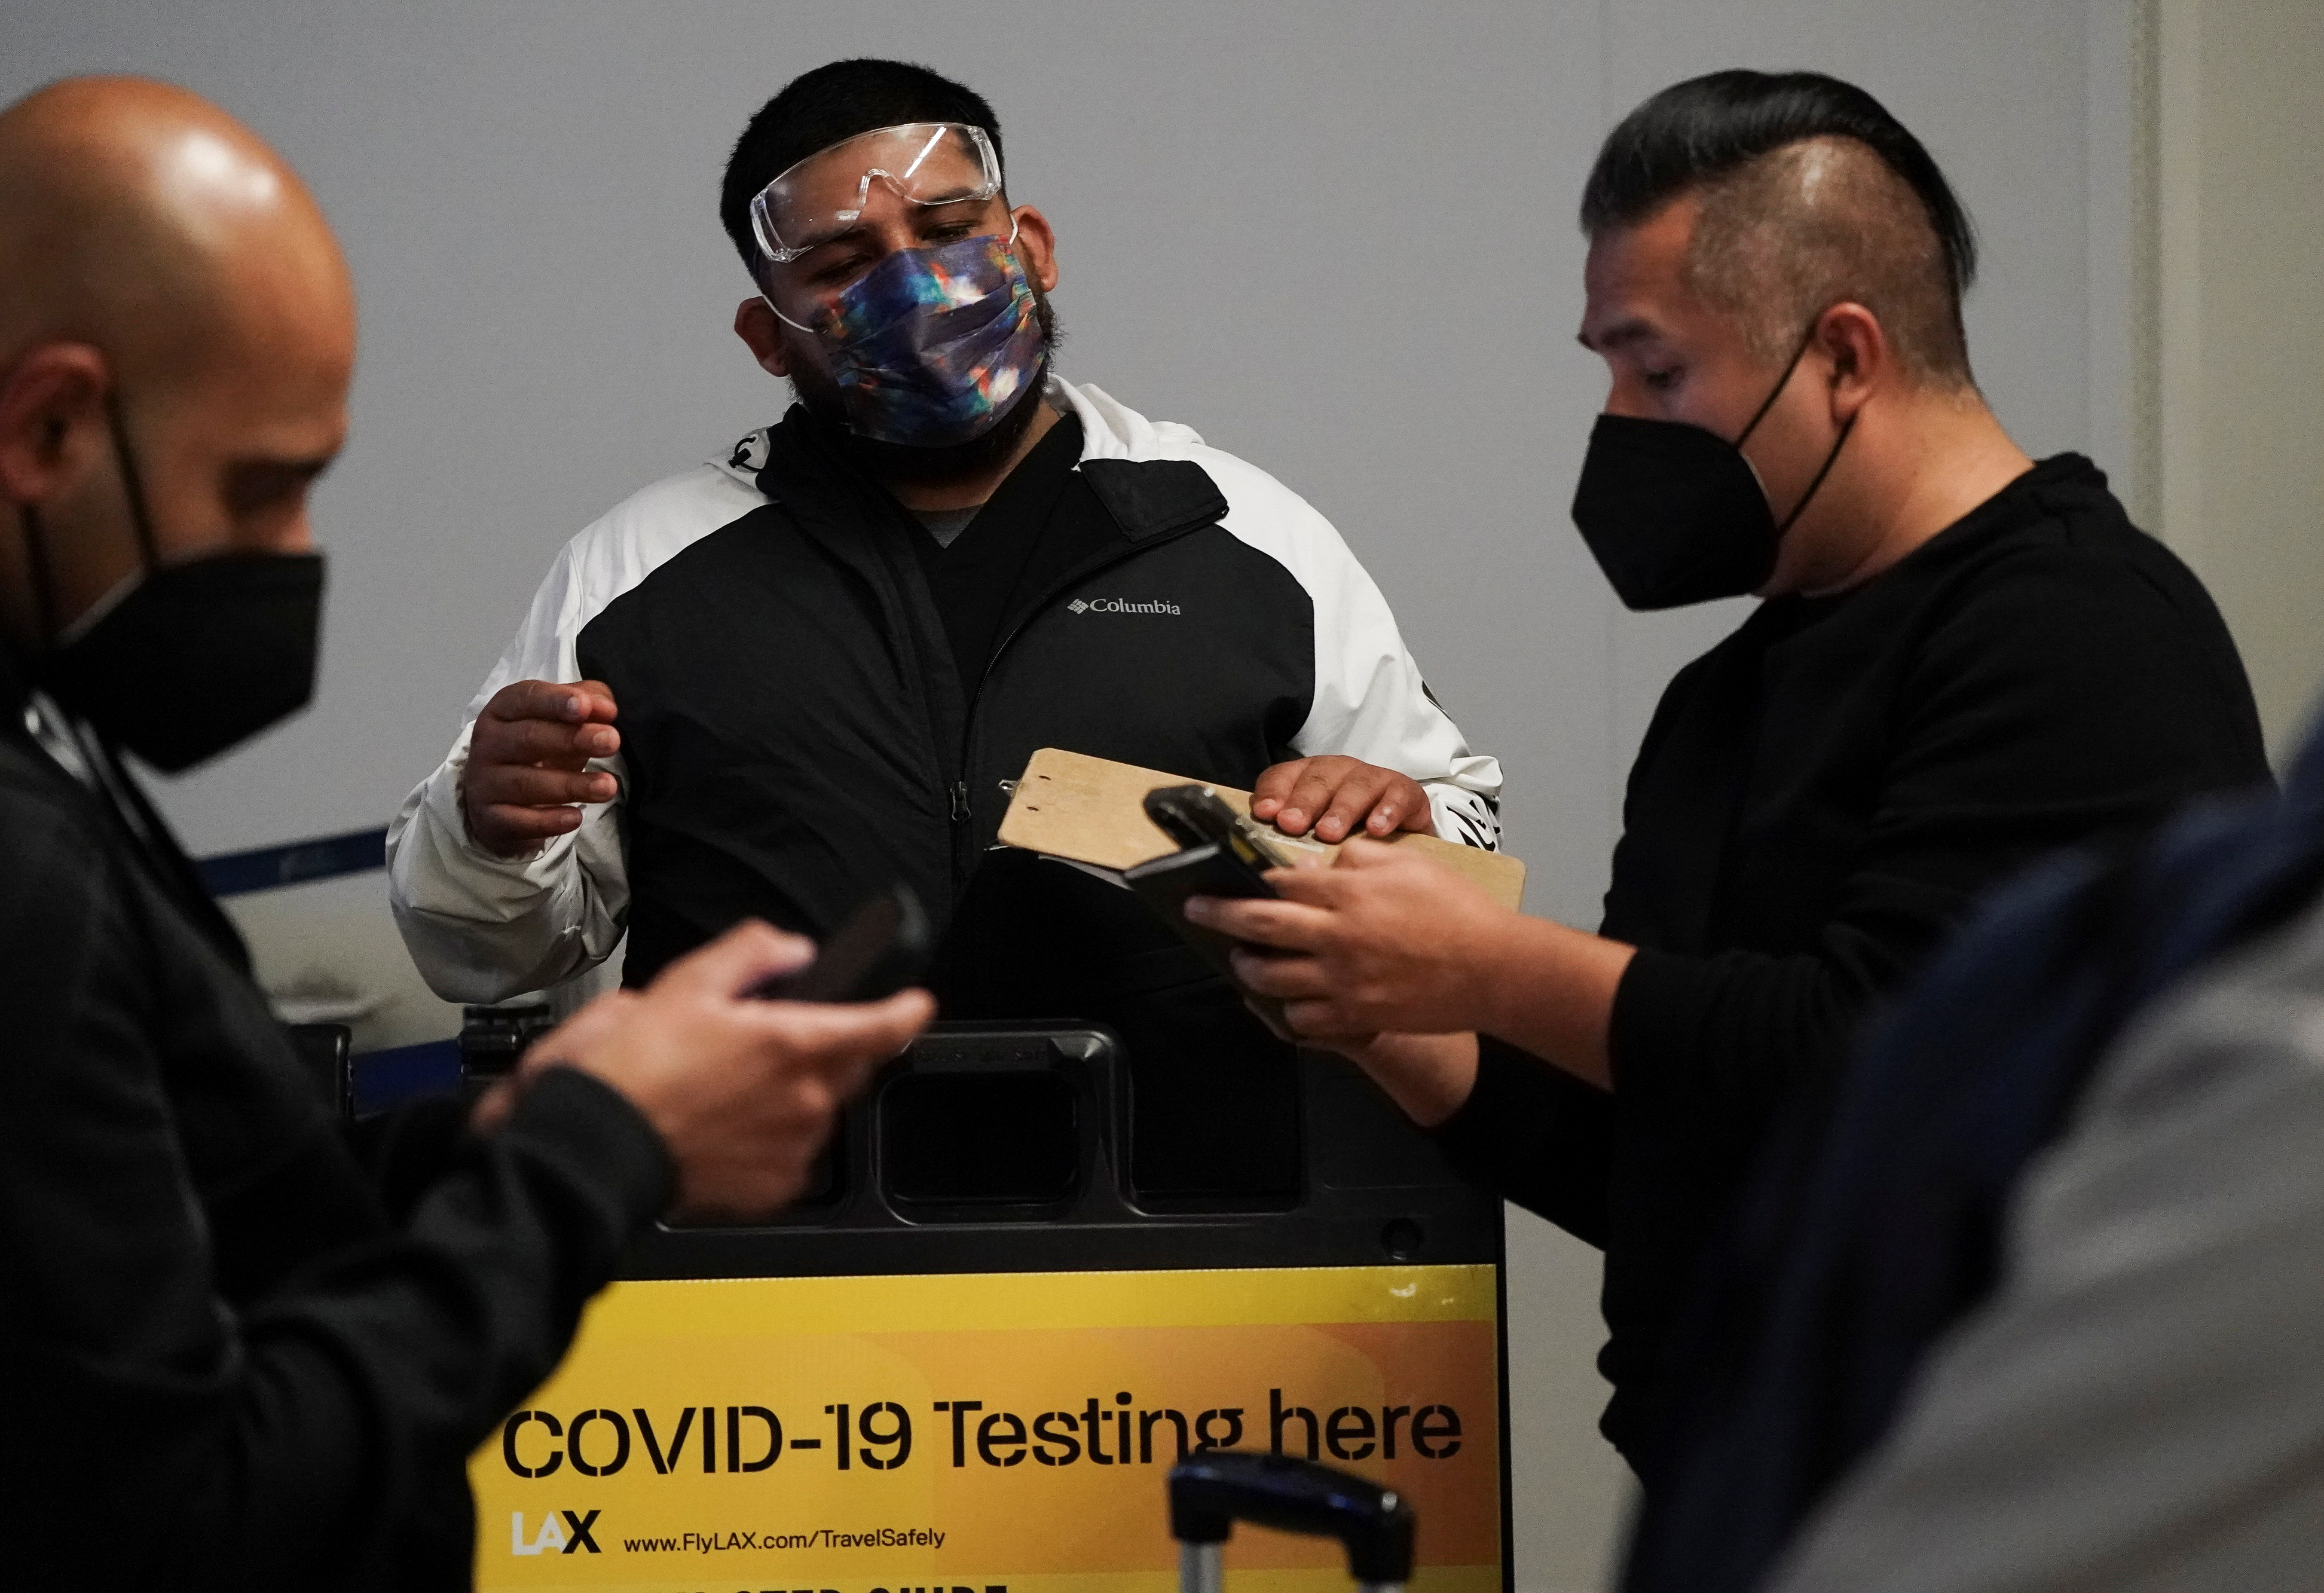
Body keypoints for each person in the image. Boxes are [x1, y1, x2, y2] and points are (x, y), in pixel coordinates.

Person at [1188, 69, 2270, 1471]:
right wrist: (1370, 993)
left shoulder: (2077, 628)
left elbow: (1900, 1062)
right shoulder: (1725, 695)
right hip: (1739, 1478)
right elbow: (1659, 1149)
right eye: (1604, 368)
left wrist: (1486, 963)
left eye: (1657, 369)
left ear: (1841, 357)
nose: (1619, 423)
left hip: (1997, 1495)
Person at [0, 77, 930, 1589]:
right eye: (264, 489)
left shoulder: (11, 756)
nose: (297, 559)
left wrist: (529, 1122)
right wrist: (595, 1158)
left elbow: (178, 1206)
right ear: (48, 425)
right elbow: (185, 1516)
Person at [386, 58, 1500, 1200]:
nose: (915, 284)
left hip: (1191, 1287)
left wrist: (1393, 823)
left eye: (949, 225)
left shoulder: (1244, 534)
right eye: (842, 264)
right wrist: (487, 830)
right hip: (761, 1306)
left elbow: (1455, 849)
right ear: (767, 338)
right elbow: (488, 949)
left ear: (1034, 245)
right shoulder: (637, 575)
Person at [1624, 717, 2324, 1593]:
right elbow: (1691, 1156)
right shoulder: (1724, 704)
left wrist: (1495, 968)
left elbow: (1817, 1059)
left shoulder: (2071, 653)